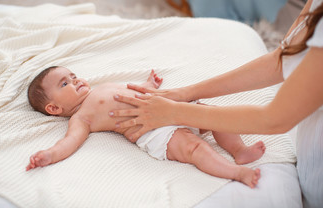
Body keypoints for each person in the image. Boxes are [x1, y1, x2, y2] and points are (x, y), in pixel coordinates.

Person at [109, 0, 323, 207]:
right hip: (309, 161)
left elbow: (275, 119)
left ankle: (238, 158)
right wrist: (186, 93)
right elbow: (281, 59)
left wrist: (172, 112)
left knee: (197, 146)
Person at [26, 66, 266, 188]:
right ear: (54, 108)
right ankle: (237, 173)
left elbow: (132, 92)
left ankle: (239, 150)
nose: (76, 80)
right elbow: (69, 142)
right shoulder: (81, 118)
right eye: (65, 83)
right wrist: (49, 155)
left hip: (167, 107)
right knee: (195, 148)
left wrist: (148, 84)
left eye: (74, 75)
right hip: (154, 131)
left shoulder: (100, 87)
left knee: (214, 115)